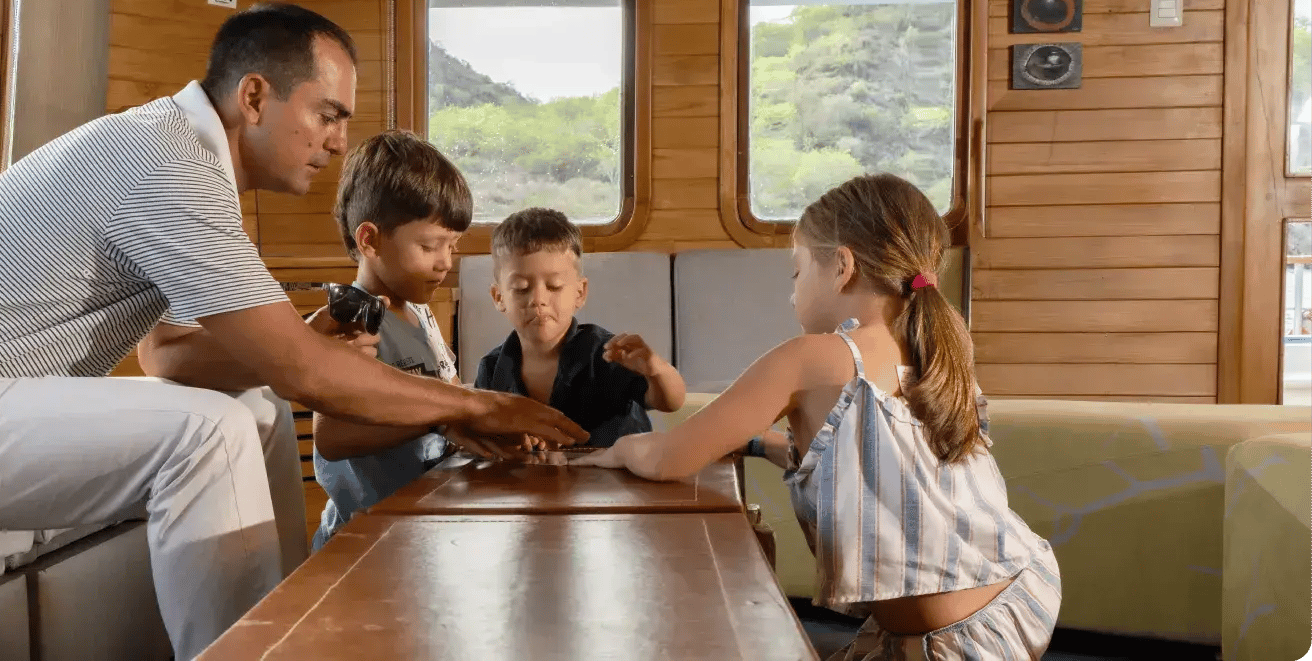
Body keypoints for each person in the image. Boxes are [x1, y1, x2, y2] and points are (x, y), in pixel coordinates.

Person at [0, 2, 587, 658]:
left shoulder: (189, 164)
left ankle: (289, 628)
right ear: (255, 97)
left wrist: (300, 342)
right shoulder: (165, 161)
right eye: (326, 115)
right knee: (207, 431)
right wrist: (476, 406)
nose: (337, 143)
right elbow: (305, 377)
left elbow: (170, 356)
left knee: (247, 412)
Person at [575, 174, 1060, 660]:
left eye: (797, 270)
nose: (792, 291)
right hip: (1012, 594)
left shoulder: (813, 357)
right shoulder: (935, 349)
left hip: (953, 642)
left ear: (842, 266)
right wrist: (759, 443)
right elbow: (878, 464)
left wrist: (617, 448)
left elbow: (667, 458)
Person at [307, 129, 486, 550]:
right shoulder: (353, 318)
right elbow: (333, 438)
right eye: (430, 246)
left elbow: (448, 396)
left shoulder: (421, 311)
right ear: (369, 240)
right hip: (364, 539)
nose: (445, 262)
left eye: (453, 247)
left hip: (419, 529)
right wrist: (443, 412)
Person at [475, 208, 687, 448]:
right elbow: (485, 434)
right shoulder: (492, 369)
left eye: (554, 286)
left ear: (580, 293)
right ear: (498, 297)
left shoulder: (607, 354)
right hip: (534, 482)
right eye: (522, 288)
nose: (538, 299)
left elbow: (671, 402)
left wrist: (656, 370)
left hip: (617, 480)